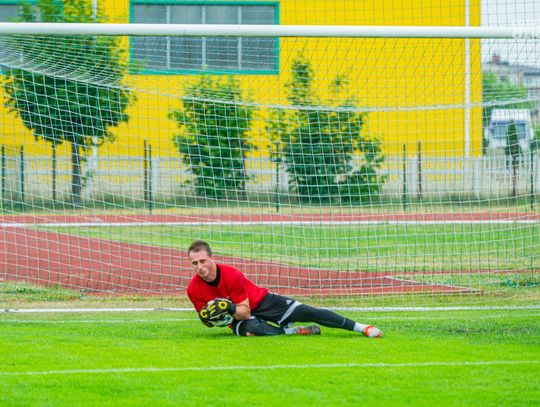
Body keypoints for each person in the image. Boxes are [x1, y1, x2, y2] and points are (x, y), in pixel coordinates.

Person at [186, 240, 383, 338]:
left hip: (261, 302)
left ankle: (361, 327)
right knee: (252, 330)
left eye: (203, 261)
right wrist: (209, 318)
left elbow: (244, 311)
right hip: (240, 319)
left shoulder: (231, 274)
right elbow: (208, 323)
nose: (200, 267)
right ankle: (292, 331)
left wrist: (228, 307)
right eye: (195, 263)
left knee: (309, 312)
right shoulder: (193, 290)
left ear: (211, 258)